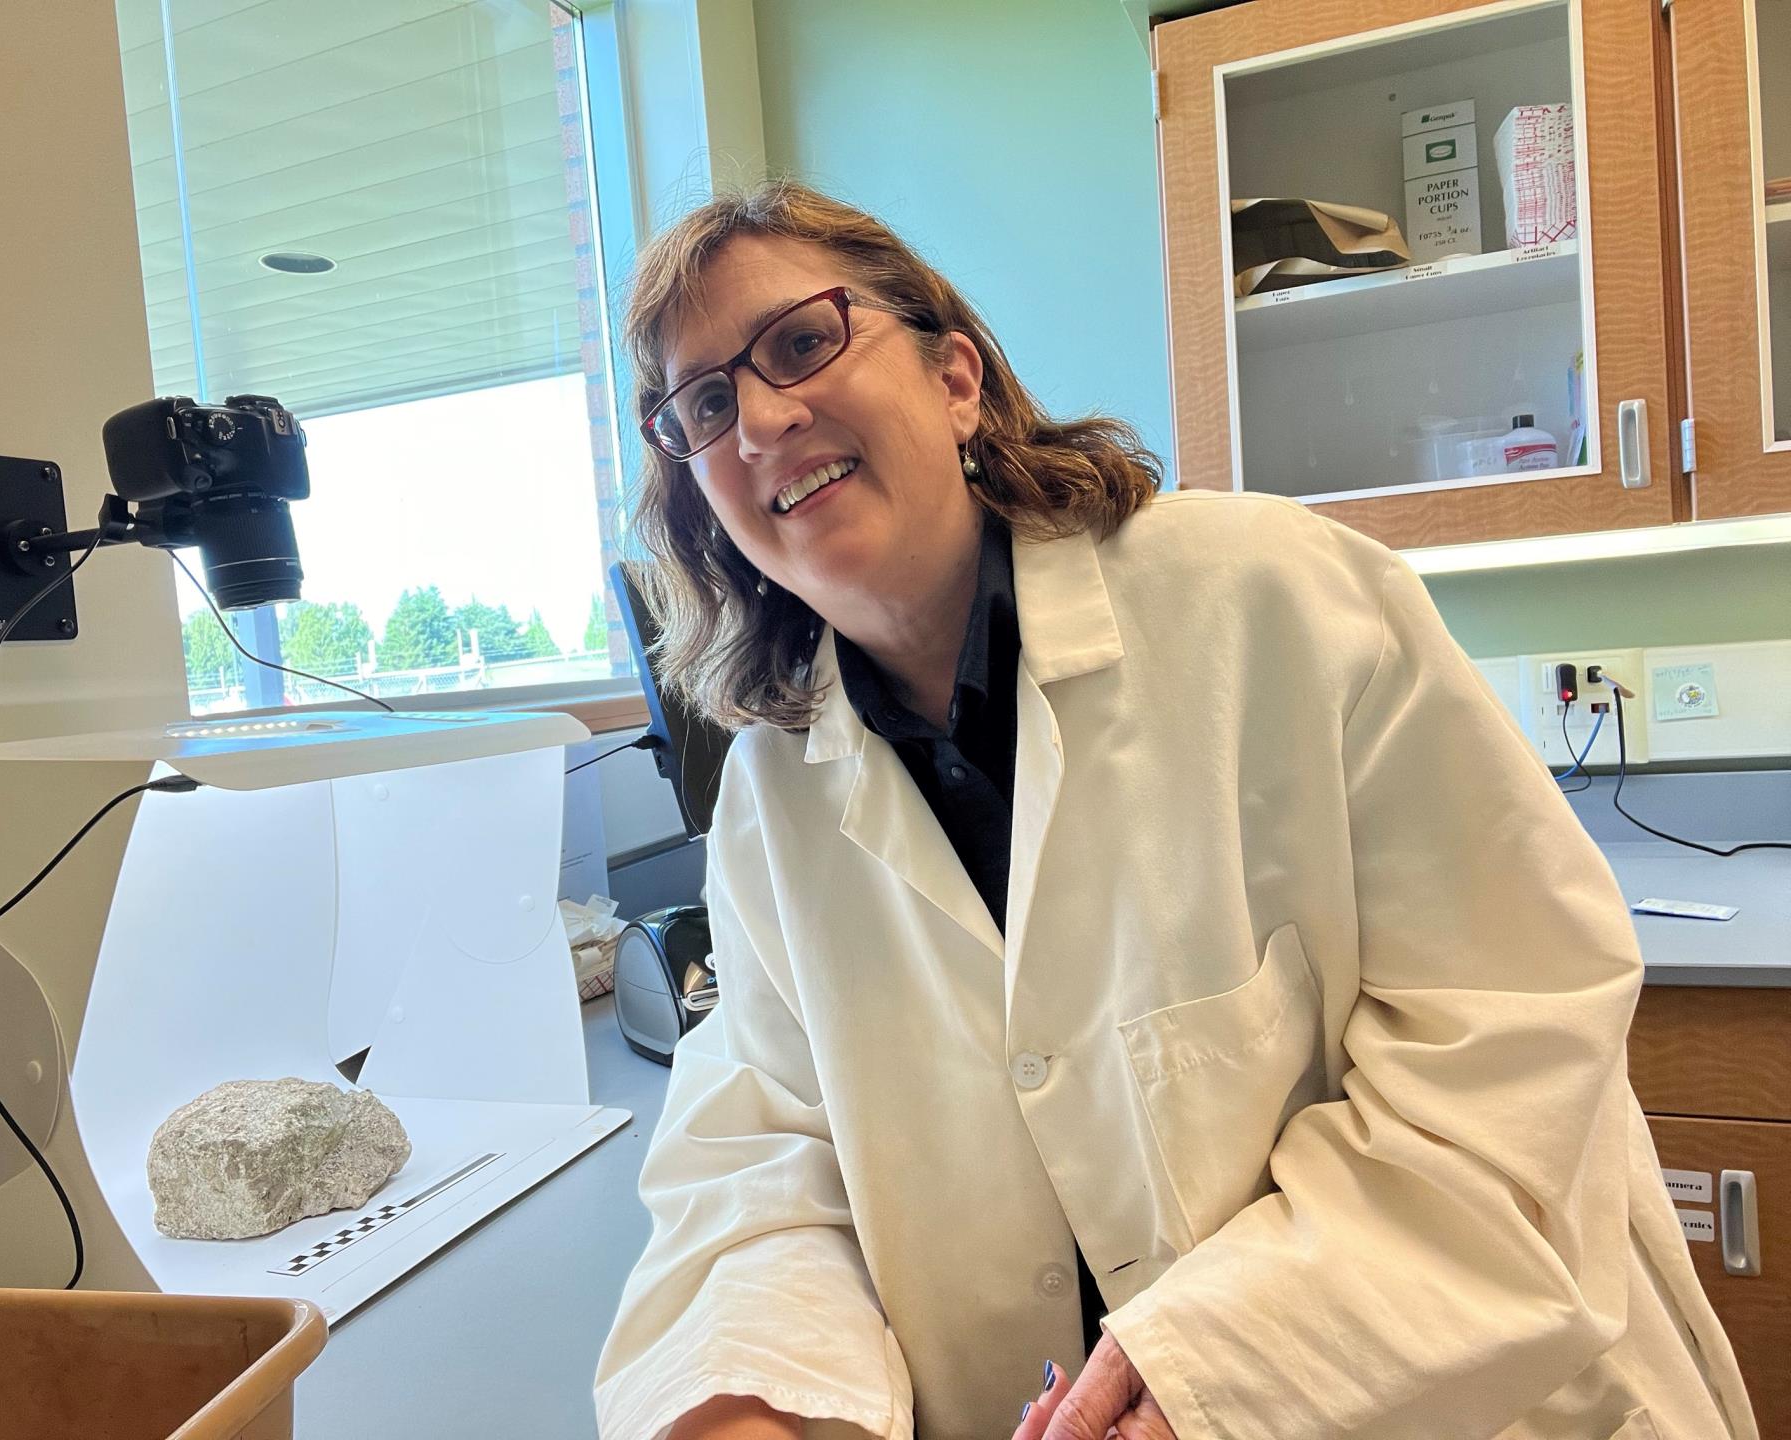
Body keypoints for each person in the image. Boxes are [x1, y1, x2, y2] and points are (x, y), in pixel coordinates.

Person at [592, 180, 1756, 1440]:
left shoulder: (1272, 599)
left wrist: (1216, 1377)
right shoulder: (774, 798)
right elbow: (761, 1155)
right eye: (704, 403)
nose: (760, 416)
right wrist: (750, 1389)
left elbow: (1511, 1046)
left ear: (955, 380)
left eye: (803, 341)